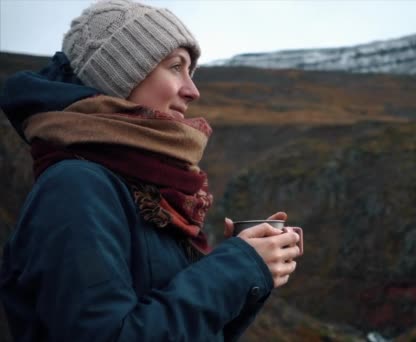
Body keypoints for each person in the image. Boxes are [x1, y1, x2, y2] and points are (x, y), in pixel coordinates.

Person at [0, 0, 302, 341]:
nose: (192, 91)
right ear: (119, 74)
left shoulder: (144, 187)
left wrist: (251, 271)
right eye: (176, 67)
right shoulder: (75, 187)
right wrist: (236, 268)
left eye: (192, 72)